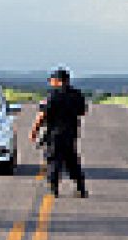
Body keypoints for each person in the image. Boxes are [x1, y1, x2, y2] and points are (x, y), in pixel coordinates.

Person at [29, 67, 89, 198]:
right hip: (71, 132)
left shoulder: (52, 96)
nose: (51, 82)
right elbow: (83, 112)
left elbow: (42, 115)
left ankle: (54, 187)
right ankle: (81, 187)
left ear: (57, 80)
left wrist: (34, 131)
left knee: (54, 160)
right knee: (72, 160)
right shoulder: (77, 94)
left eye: (52, 80)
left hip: (55, 133)